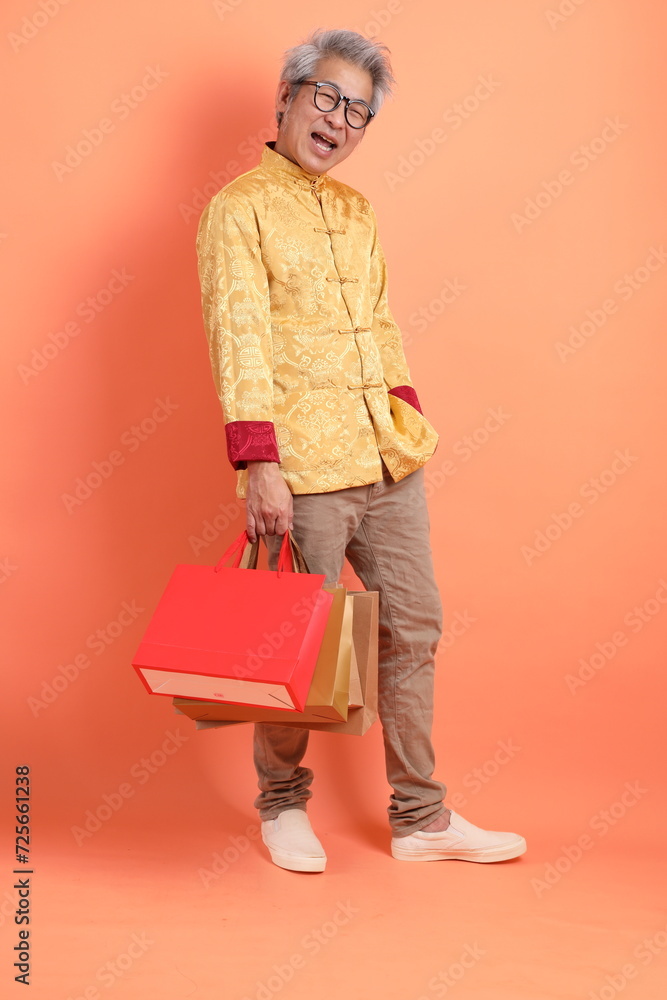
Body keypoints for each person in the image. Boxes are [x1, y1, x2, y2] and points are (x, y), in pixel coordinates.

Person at [196, 28, 526, 872]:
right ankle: (281, 804)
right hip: (302, 469)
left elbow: (378, 324)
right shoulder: (239, 208)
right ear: (287, 98)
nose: (339, 120)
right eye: (327, 98)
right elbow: (239, 338)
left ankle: (420, 818)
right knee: (296, 641)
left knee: (414, 626)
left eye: (358, 111)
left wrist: (403, 419)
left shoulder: (356, 212)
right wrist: (259, 463)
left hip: (384, 459)